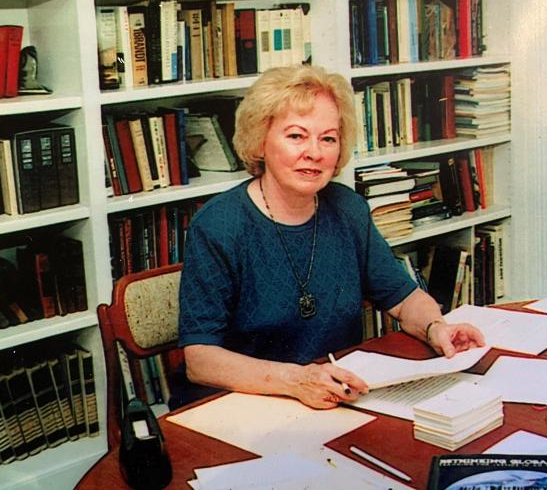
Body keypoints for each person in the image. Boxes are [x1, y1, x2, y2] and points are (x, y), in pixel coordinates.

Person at [178, 65, 485, 410]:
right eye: (296, 136)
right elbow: (199, 359)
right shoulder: (218, 225)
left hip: (333, 398)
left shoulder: (348, 209)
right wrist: (296, 381)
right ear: (260, 141)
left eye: (328, 138)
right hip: (242, 406)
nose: (314, 152)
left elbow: (404, 298)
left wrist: (436, 328)